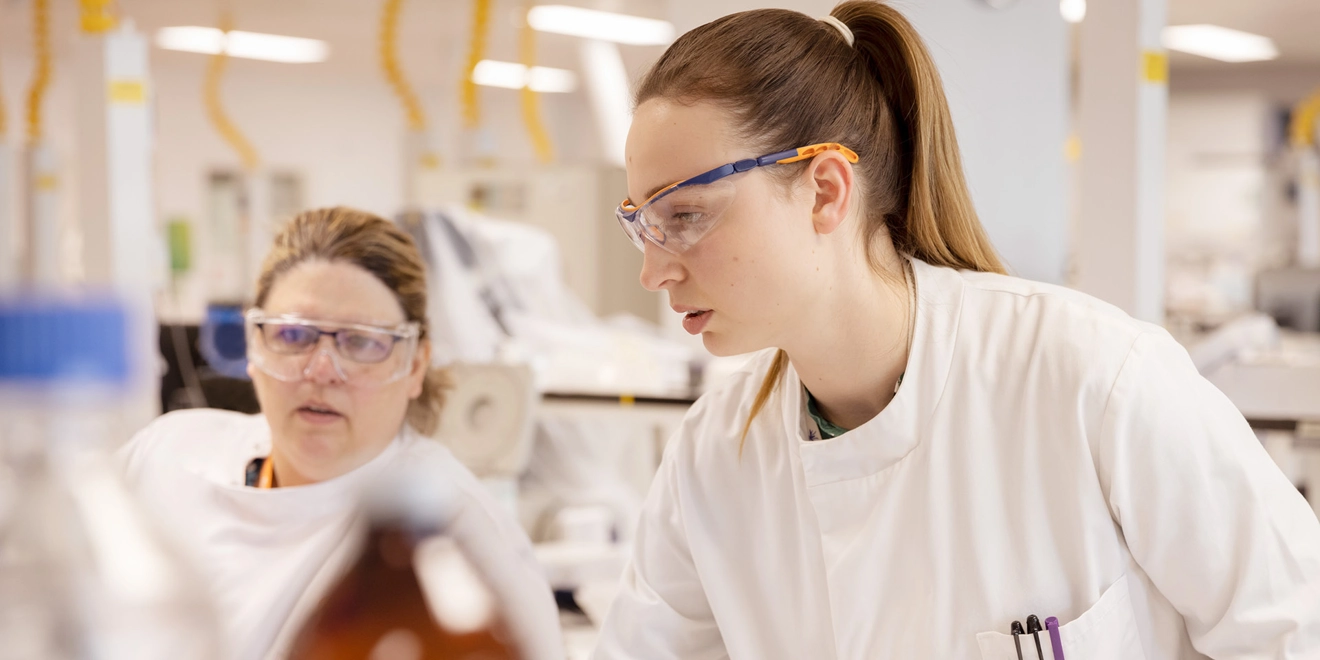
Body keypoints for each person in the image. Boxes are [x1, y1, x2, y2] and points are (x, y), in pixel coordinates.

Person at [593, 2, 1320, 659]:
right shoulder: (717, 454)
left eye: (683, 217)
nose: (654, 273)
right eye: (642, 226)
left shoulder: (1092, 378)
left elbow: (1294, 631)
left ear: (823, 191)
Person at [120, 207, 563, 660]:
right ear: (253, 346)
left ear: (415, 365)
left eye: (361, 341)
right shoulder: (166, 455)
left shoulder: (454, 535)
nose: (321, 370)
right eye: (293, 335)